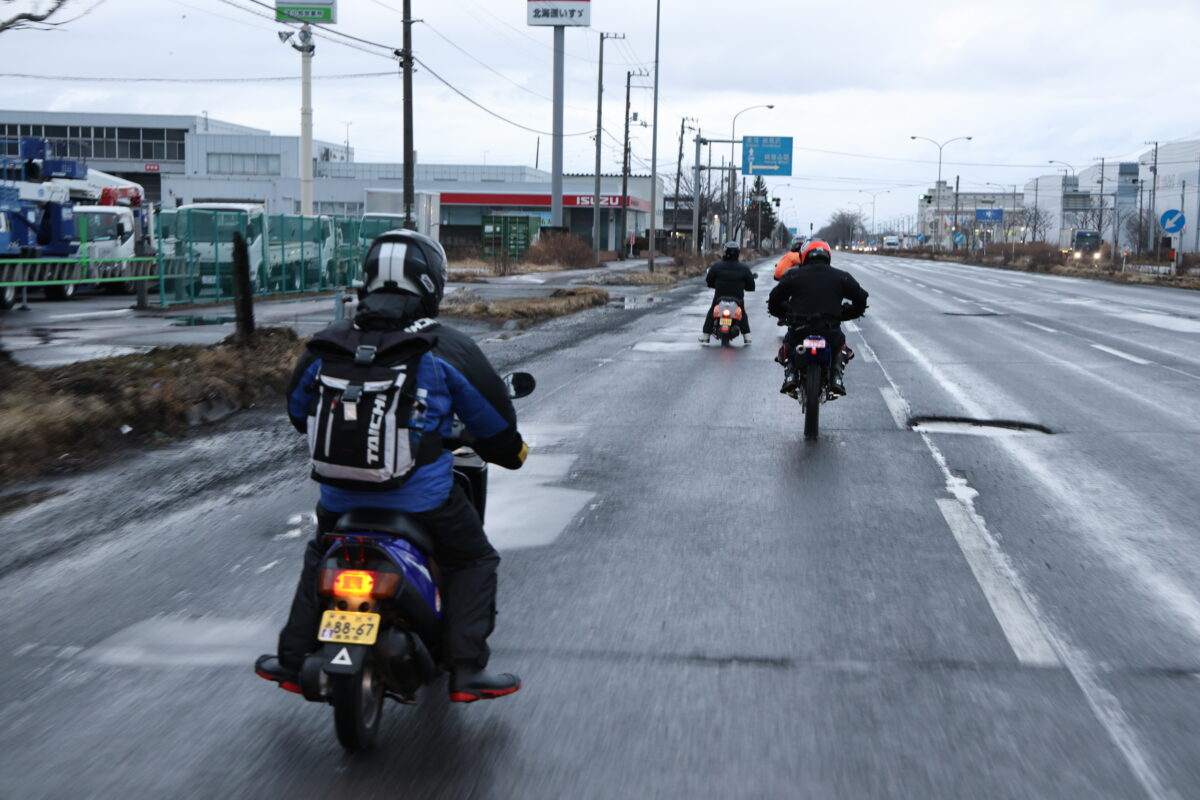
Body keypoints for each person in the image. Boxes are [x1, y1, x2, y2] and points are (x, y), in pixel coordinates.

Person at [256, 229, 529, 704]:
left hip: (340, 498)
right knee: (474, 559)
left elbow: (299, 415)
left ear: (368, 279)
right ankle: (465, 668)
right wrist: (512, 453)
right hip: (423, 500)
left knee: (321, 550)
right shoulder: (444, 347)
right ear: (431, 284)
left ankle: (294, 659)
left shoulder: (327, 345)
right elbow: (495, 422)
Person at [767, 239, 868, 396]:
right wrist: (847, 313)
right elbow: (861, 297)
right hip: (830, 329)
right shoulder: (841, 277)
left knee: (789, 343)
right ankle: (836, 377)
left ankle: (791, 375)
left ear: (804, 255)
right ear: (828, 255)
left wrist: (784, 313)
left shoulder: (793, 275)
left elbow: (774, 299)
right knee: (840, 345)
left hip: (800, 328)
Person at [699, 241, 756, 344]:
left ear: (725, 252)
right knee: (742, 313)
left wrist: (713, 285)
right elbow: (751, 285)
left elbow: (709, 280)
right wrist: (747, 287)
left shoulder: (717, 266)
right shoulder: (744, 268)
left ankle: (706, 335)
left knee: (712, 312)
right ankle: (747, 336)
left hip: (719, 297)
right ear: (738, 253)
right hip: (738, 298)